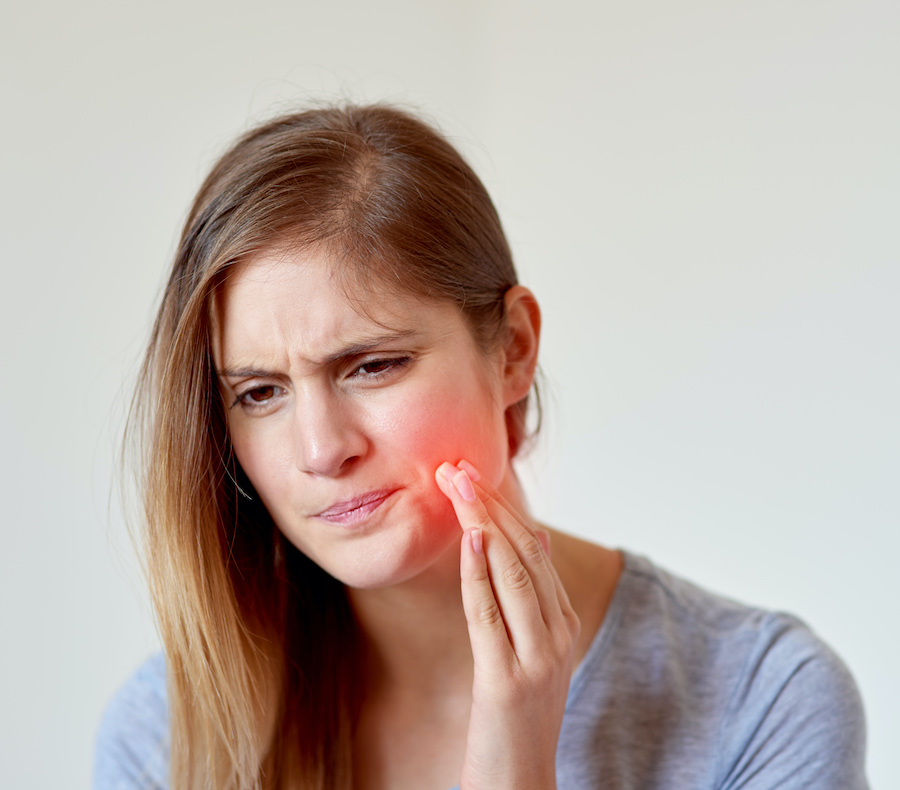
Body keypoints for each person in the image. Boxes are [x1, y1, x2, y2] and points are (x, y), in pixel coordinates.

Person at [94, 104, 868, 790]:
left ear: (514, 350)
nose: (321, 449)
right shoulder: (165, 735)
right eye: (259, 393)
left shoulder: (763, 703)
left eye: (372, 365)